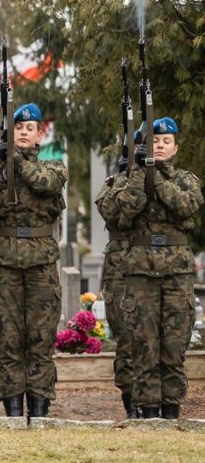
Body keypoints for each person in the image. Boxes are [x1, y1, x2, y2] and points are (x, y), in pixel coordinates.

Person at [0, 102, 67, 418]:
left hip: (40, 265)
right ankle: (11, 410)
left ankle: (38, 410)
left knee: (40, 340)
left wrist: (16, 159)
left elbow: (43, 183)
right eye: (17, 128)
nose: (23, 133)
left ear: (39, 135)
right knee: (8, 340)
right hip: (3, 265)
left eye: (29, 129)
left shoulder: (53, 167)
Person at [112, 117, 202, 419]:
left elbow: (186, 206)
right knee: (144, 346)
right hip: (140, 274)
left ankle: (171, 412)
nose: (159, 146)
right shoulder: (131, 178)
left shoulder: (186, 180)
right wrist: (140, 172)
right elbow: (124, 210)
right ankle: (149, 413)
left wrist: (156, 177)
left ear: (175, 148)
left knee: (174, 349)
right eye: (154, 142)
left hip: (176, 274)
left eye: (165, 142)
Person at [94, 152, 137, 417]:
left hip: (156, 265)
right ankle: (131, 401)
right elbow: (109, 210)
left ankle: (158, 402)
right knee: (125, 336)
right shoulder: (115, 182)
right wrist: (124, 178)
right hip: (121, 265)